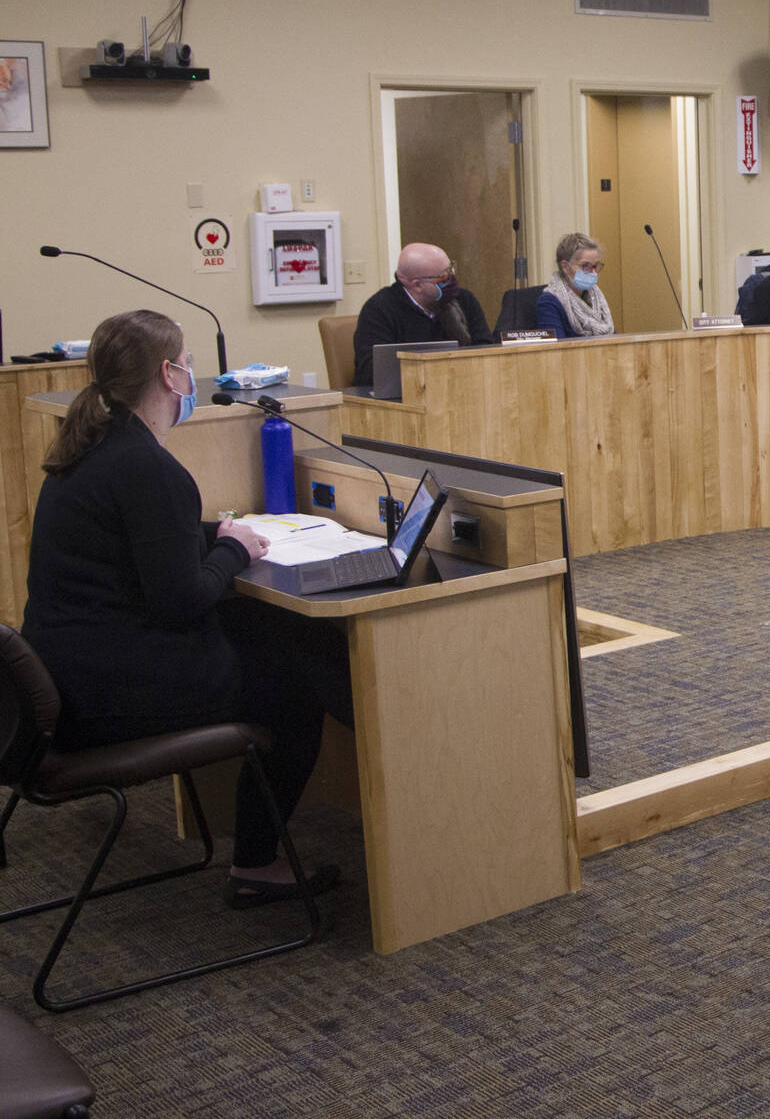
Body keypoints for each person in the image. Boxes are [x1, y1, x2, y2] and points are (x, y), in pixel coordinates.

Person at [22, 310, 353, 907]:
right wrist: (230, 547)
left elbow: (133, 543)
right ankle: (258, 864)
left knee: (259, 625)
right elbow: (182, 602)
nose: (194, 376)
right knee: (294, 685)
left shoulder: (92, 448)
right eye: (189, 365)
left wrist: (210, 536)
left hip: (64, 677)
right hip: (105, 698)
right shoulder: (149, 467)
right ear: (170, 375)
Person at [351, 241, 490, 384]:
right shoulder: (379, 309)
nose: (451, 279)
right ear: (417, 285)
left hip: (462, 387)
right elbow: (372, 371)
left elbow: (485, 350)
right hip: (403, 396)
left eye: (451, 270)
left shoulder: (464, 300)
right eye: (443, 276)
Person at [535, 232, 614, 340]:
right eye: (586, 266)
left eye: (595, 266)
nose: (593, 273)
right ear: (566, 267)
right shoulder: (548, 303)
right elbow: (555, 351)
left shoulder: (596, 298)